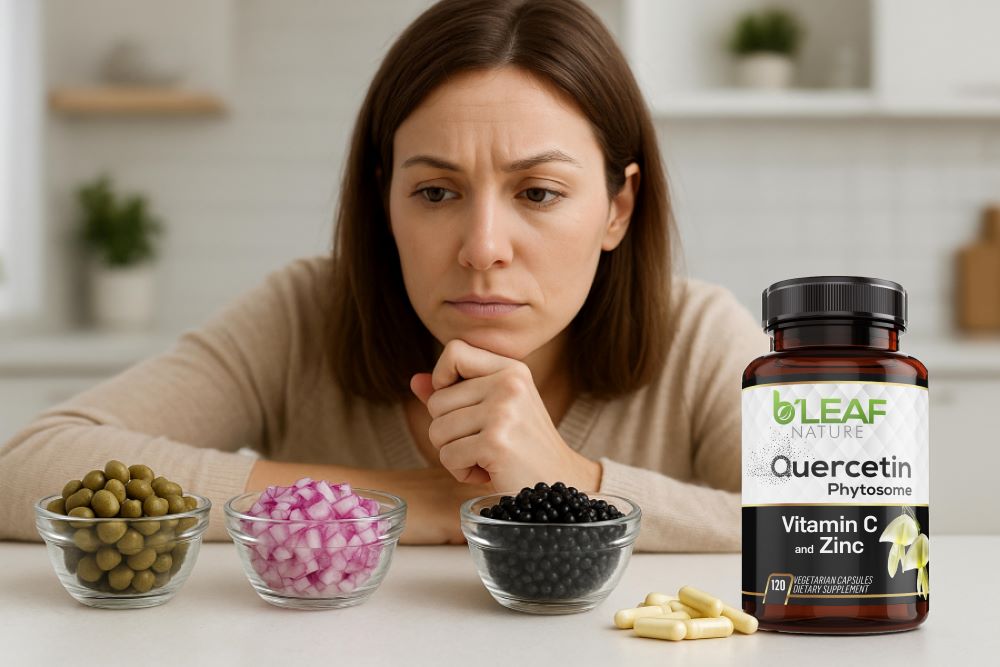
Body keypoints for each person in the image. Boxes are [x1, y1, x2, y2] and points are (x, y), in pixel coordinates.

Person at [0, 0, 766, 550]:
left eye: (538, 193)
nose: (482, 247)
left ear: (617, 208)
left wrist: (571, 484)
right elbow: (26, 466)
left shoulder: (696, 336)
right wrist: (406, 500)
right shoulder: (304, 313)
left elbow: (853, 522)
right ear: (384, 199)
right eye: (436, 192)